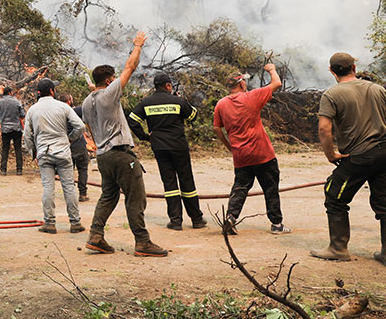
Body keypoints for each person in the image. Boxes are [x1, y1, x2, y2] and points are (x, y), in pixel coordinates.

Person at [82, 32, 168, 257]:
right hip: (121, 154)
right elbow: (130, 67)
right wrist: (137, 46)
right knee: (136, 197)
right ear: (109, 81)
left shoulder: (86, 101)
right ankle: (142, 242)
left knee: (108, 196)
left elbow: (89, 129)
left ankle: (96, 236)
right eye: (113, 79)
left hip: (102, 155)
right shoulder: (110, 94)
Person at [309, 53, 386, 264]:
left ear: (332, 71)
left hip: (359, 155)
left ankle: (338, 248)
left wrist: (330, 154)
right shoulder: (378, 89)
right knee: (384, 203)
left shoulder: (332, 95)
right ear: (353, 67)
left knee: (334, 195)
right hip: (383, 152)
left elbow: (324, 129)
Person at [213, 63, 290, 235]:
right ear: (241, 84)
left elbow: (217, 128)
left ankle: (230, 218)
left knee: (240, 187)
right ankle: (276, 225)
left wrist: (230, 146)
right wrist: (271, 70)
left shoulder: (221, 104)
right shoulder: (252, 97)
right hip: (263, 154)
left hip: (241, 156)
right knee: (270, 188)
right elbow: (276, 83)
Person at [128, 73, 207, 230]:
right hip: (178, 146)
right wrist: (182, 100)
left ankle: (176, 221)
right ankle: (197, 219)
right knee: (186, 180)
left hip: (159, 147)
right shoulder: (177, 101)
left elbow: (132, 120)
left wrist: (144, 137)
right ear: (168, 86)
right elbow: (193, 116)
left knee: (169, 182)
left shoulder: (146, 103)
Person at [23, 79, 86, 234]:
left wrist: (34, 153)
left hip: (44, 153)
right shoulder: (63, 106)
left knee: (48, 188)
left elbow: (27, 136)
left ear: (38, 93)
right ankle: (75, 222)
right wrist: (70, 138)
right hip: (63, 152)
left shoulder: (32, 110)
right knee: (69, 187)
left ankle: (50, 223)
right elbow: (80, 126)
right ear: (52, 91)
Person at [0, 87, 25, 175]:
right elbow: (22, 115)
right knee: (18, 149)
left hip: (5, 129)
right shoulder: (16, 102)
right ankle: (19, 170)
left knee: (5, 149)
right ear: (10, 92)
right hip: (16, 129)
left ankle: (3, 169)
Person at [66, 95, 91, 202]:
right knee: (83, 170)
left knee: (68, 172)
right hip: (79, 146)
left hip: (66, 147)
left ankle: (70, 195)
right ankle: (83, 194)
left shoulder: (58, 113)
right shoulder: (77, 110)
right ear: (69, 101)